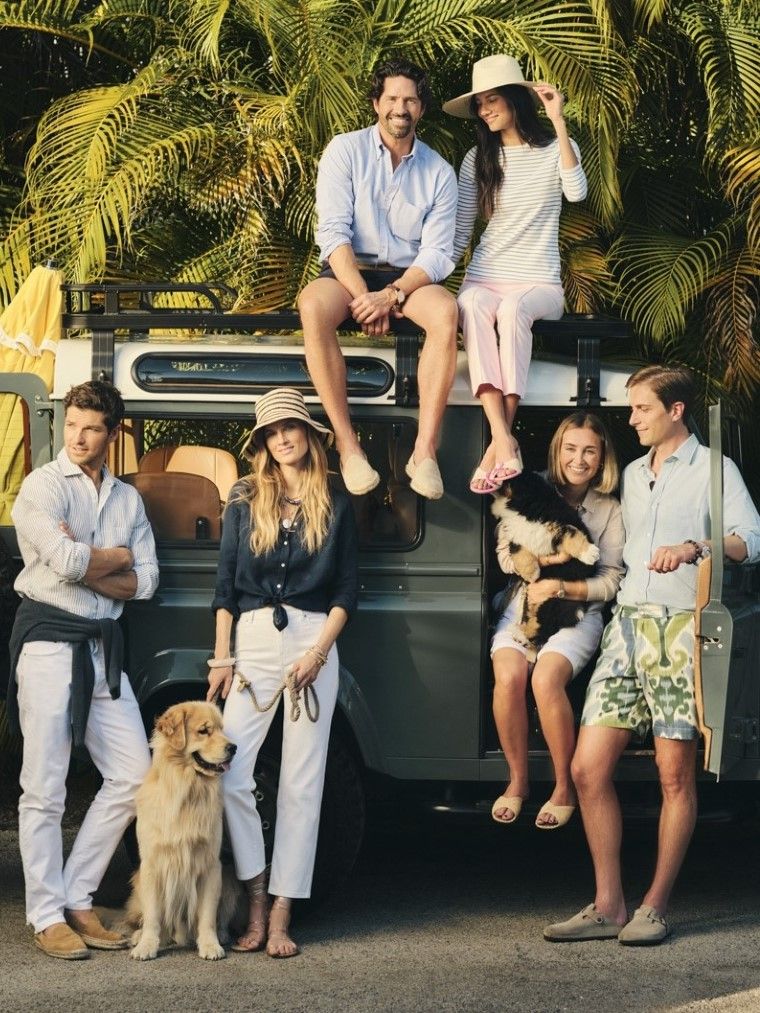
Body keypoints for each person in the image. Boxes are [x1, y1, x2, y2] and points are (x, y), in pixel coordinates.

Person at [545, 365, 760, 944]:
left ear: (675, 411)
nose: (632, 417)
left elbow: (752, 539)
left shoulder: (716, 469)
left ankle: (655, 907)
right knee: (587, 769)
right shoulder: (635, 475)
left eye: (642, 408)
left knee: (673, 774)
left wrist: (695, 548)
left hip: (682, 630)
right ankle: (608, 906)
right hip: (627, 627)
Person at [8, 380, 159, 960]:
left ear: (111, 434)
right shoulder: (42, 486)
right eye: (72, 424)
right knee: (44, 787)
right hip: (49, 642)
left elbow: (147, 581)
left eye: (91, 428)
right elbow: (65, 561)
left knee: (133, 775)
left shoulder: (127, 500)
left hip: (102, 648)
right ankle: (46, 915)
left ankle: (76, 895)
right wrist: (115, 559)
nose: (78, 437)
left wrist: (98, 562)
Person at [207, 387, 358, 958]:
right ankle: (255, 895)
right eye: (271, 432)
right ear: (262, 444)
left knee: (301, 782)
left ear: (309, 434)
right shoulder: (245, 499)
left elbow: (346, 591)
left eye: (290, 427)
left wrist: (317, 653)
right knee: (231, 775)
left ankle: (280, 913)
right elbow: (225, 586)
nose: (282, 438)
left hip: (313, 641)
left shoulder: (335, 500)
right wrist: (222, 657)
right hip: (250, 643)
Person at [298, 58, 459, 500]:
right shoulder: (344, 151)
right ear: (376, 103)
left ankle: (424, 452)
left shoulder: (439, 172)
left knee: (447, 312)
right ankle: (348, 447)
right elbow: (333, 234)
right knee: (311, 306)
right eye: (392, 98)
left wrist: (391, 295)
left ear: (421, 108)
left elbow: (437, 254)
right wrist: (365, 298)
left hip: (407, 280)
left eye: (410, 100)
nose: (400, 108)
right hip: (348, 272)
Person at [443, 54, 588, 493]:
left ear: (514, 100)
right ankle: (504, 439)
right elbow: (461, 229)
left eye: (491, 100)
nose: (484, 110)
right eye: (479, 103)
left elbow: (577, 193)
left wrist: (557, 120)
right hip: (484, 275)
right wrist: (420, 283)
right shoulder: (478, 158)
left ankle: (496, 446)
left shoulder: (555, 148)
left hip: (539, 282)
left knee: (511, 310)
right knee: (470, 303)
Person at [491, 413, 624, 829]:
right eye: (570, 448)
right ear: (557, 450)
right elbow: (505, 555)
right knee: (509, 675)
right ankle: (518, 780)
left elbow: (612, 580)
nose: (578, 460)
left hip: (578, 611)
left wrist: (562, 588)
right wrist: (541, 563)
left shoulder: (609, 509)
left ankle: (565, 786)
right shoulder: (530, 488)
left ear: (602, 459)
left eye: (589, 451)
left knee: (546, 679)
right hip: (525, 602)